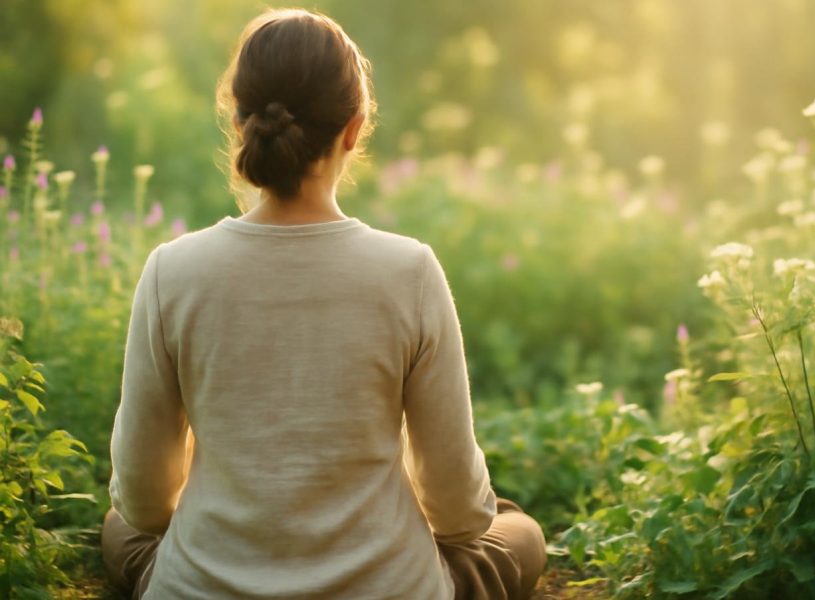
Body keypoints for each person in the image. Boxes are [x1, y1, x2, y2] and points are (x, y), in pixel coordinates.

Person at [100, 8, 546, 599]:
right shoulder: (409, 272)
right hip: (388, 589)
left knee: (118, 527)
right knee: (517, 531)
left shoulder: (171, 272)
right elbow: (459, 513)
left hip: (200, 587)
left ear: (238, 121)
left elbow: (143, 502)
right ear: (353, 129)